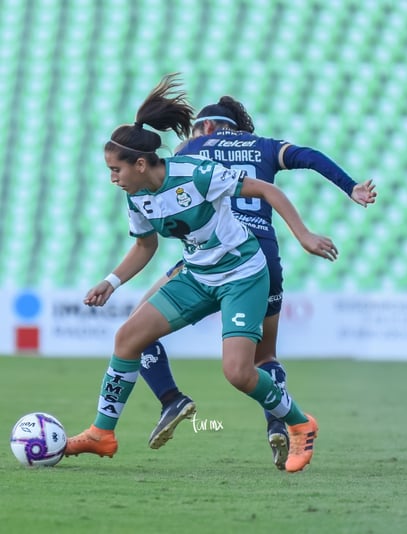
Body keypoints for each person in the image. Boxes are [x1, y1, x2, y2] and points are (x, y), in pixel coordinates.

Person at [64, 73, 340, 473]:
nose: (112, 178)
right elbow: (144, 247)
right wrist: (111, 282)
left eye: (115, 169)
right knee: (126, 339)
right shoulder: (137, 196)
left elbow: (268, 190)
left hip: (242, 274)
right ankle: (101, 434)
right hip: (196, 277)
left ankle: (299, 422)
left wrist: (304, 235)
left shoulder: (196, 173)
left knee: (239, 373)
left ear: (140, 163)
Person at [137, 96, 377, 469]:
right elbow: (310, 156)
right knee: (264, 357)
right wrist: (351, 188)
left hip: (213, 255)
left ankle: (170, 398)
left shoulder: (195, 147)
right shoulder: (262, 146)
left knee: (138, 328)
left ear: (209, 127)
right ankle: (277, 424)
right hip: (263, 258)